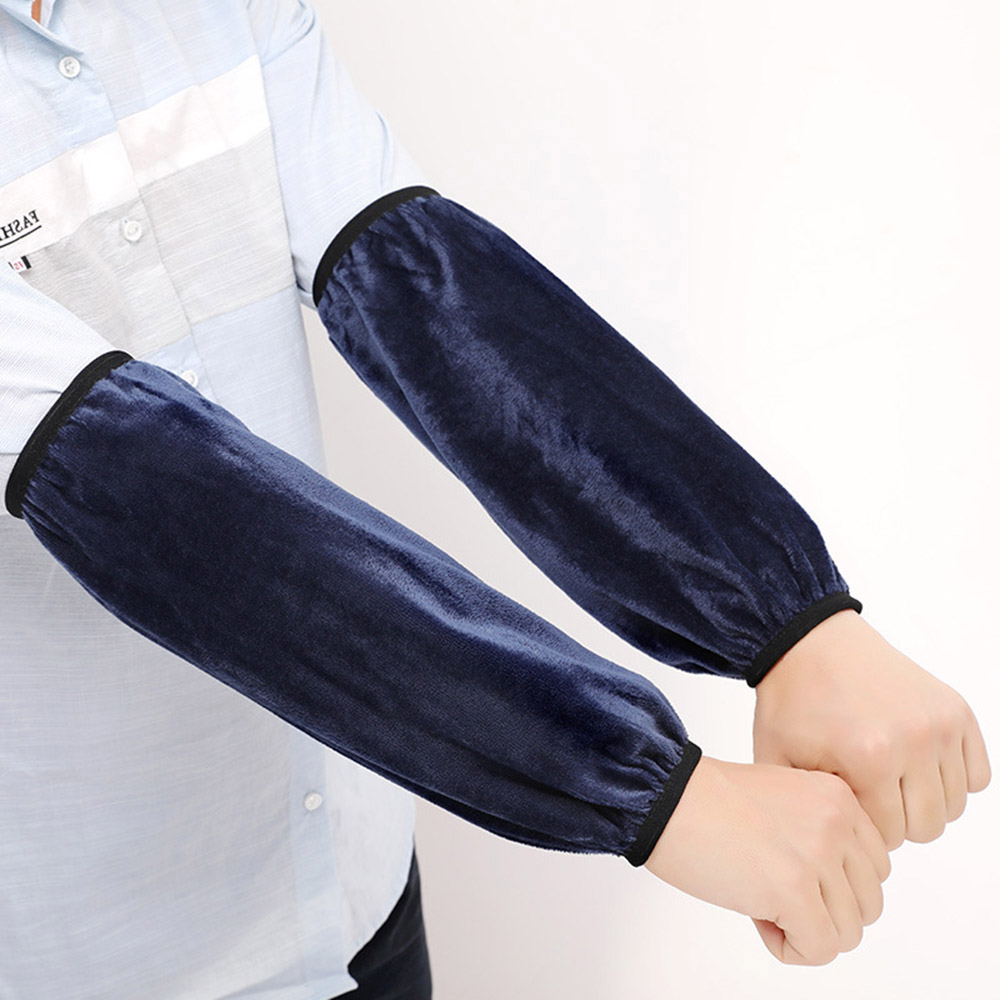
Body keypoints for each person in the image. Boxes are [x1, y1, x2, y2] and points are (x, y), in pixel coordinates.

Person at [0, 1, 989, 997]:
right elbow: (155, 491)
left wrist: (792, 622)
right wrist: (653, 792)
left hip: (355, 892)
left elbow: (426, 289)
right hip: (108, 959)